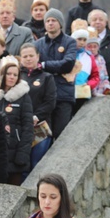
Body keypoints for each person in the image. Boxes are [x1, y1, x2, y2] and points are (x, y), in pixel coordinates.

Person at [34, 9, 77, 140]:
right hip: (44, 95)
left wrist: (45, 65)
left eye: (54, 20)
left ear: (60, 23)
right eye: (47, 21)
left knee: (61, 135)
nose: (50, 23)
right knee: (44, 136)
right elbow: (34, 66)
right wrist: (57, 67)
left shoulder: (70, 42)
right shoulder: (38, 44)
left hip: (63, 94)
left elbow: (68, 64)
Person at [0, 56, 33, 186]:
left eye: (15, 75)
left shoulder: (23, 97)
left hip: (16, 153)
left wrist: (22, 154)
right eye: (9, 74)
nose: (11, 77)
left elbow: (28, 127)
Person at [19, 43, 57, 172]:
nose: (28, 58)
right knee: (22, 165)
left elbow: (50, 102)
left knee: (37, 164)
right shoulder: (16, 77)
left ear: (38, 56)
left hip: (40, 127)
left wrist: (36, 116)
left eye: (31, 55)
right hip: (21, 128)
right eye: (25, 56)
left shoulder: (47, 77)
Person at [71, 27, 100, 115]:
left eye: (84, 40)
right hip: (67, 93)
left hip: (82, 94)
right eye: (79, 39)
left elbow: (95, 76)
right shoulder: (67, 54)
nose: (82, 42)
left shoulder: (89, 57)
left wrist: (88, 85)